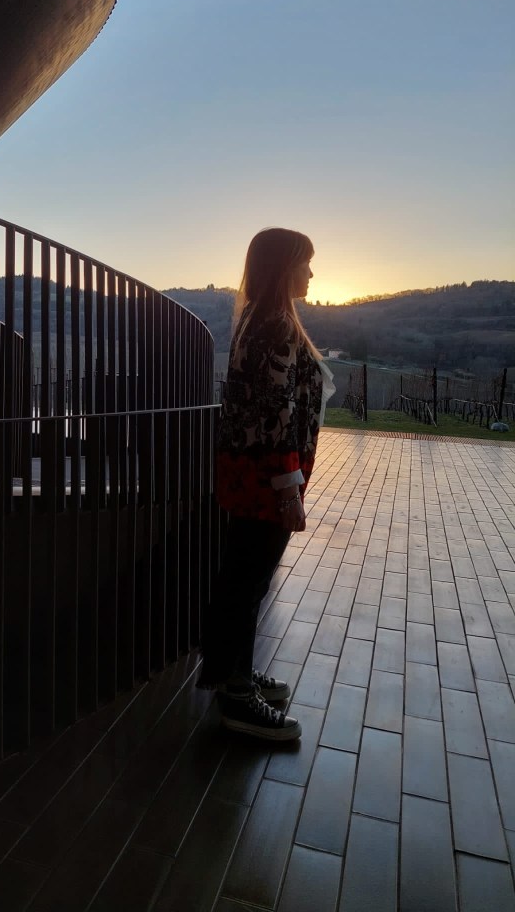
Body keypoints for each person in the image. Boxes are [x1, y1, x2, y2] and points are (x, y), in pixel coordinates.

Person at [198, 226, 335, 740]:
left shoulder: (258, 317)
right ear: (283, 267)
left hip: (249, 472)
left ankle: (236, 673)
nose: (311, 273)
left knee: (244, 579)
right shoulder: (275, 325)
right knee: (247, 582)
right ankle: (236, 697)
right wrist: (288, 491)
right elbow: (277, 414)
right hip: (265, 478)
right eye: (304, 262)